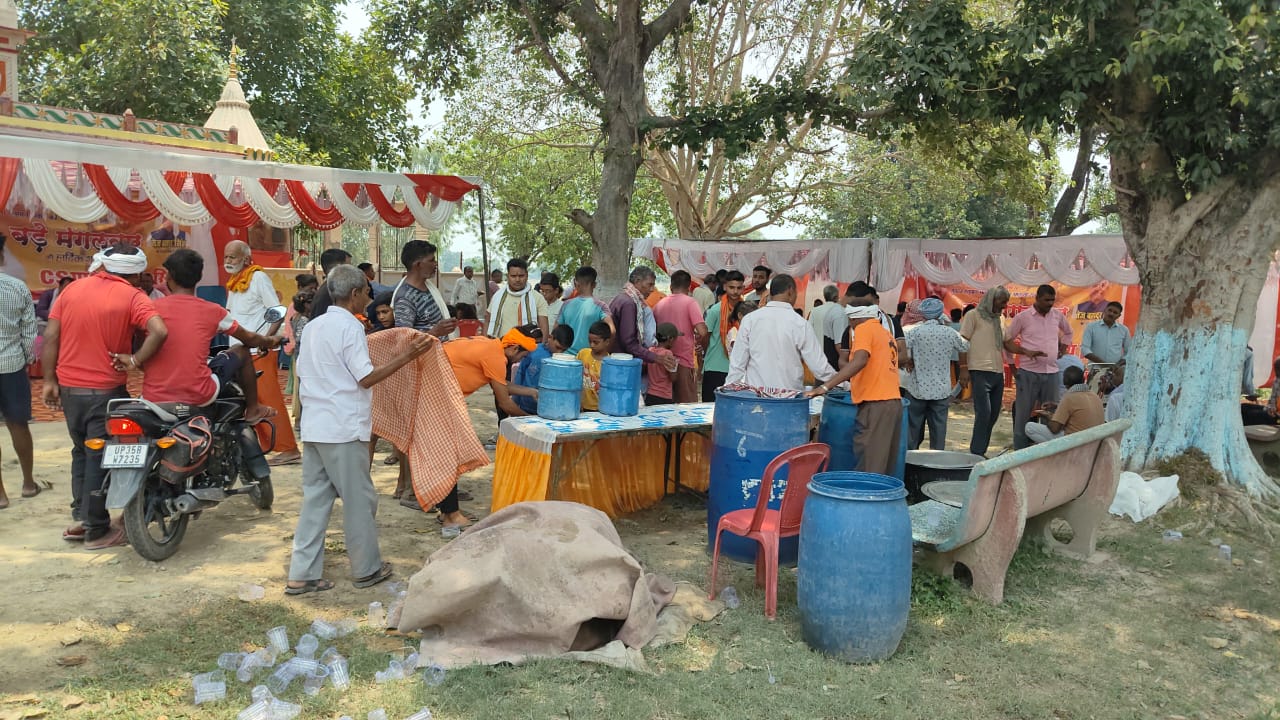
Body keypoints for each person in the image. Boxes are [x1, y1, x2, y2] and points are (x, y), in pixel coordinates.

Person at [286, 265, 433, 595]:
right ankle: (366, 569)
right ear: (354, 293)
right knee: (359, 501)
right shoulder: (349, 327)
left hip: (316, 426)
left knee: (316, 501)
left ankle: (301, 574)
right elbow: (365, 377)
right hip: (343, 427)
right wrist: (407, 356)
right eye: (367, 293)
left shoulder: (314, 325)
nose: (369, 299)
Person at [43, 244, 169, 549]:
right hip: (105, 391)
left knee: (81, 450)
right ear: (135, 273)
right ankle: (97, 530)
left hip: (69, 389)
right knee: (99, 455)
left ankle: (82, 516)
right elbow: (160, 331)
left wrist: (48, 380)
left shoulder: (72, 290)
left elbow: (50, 335)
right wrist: (136, 360)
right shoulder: (133, 296)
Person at [141, 249, 281, 420]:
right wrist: (271, 340)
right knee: (242, 350)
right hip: (200, 394)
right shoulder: (213, 311)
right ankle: (253, 409)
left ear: (168, 277)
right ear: (199, 276)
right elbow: (250, 339)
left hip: (152, 397)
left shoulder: (150, 308)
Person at [440, 326, 540, 528]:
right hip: (438, 395)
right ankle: (451, 516)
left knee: (448, 454)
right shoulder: (496, 357)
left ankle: (447, 512)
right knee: (449, 455)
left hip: (439, 391)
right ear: (514, 348)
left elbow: (500, 384)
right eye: (522, 356)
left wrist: (530, 391)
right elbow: (505, 403)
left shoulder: (490, 345)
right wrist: (532, 420)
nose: (520, 361)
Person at [223, 240, 300, 465]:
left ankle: (288, 449)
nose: (228, 261)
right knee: (251, 402)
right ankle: (267, 445)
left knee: (269, 399)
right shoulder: (235, 282)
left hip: (259, 351)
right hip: (240, 352)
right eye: (226, 257)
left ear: (246, 259)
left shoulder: (258, 278)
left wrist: (266, 340)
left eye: (232, 257)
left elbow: (277, 310)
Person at [809, 305, 902, 475]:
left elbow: (860, 360)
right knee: (883, 464)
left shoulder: (864, 329)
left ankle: (866, 492)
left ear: (853, 319)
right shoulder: (885, 333)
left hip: (876, 403)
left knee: (870, 464)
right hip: (892, 402)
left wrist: (825, 386)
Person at [725, 274, 835, 392]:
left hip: (756, 396)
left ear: (771, 294)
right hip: (789, 396)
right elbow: (820, 367)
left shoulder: (750, 320)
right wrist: (844, 384)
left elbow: (737, 364)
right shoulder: (800, 324)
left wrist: (728, 390)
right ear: (790, 291)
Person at [1005, 284, 1074, 449]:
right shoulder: (1023, 317)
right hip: (1028, 373)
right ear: (1037, 298)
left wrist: (1063, 349)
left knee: (1050, 416)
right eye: (1046, 300)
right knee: (1023, 416)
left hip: (1052, 373)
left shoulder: (1057, 315)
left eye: (1052, 300)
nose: (1050, 304)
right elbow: (1006, 341)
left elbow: (1069, 332)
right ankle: (1020, 453)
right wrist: (1013, 367)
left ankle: (1045, 453)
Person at [0, 234, 39, 509]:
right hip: (12, 366)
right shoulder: (17, 287)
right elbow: (30, 334)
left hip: (12, 364)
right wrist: (27, 359)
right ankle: (28, 483)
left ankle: (1, 495)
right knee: (18, 424)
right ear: (2, 256)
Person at [902, 298, 970, 450]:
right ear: (940, 313)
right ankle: (937, 459)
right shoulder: (949, 332)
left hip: (917, 389)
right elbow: (965, 346)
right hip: (941, 390)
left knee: (912, 430)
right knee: (938, 431)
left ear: (923, 314)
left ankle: (910, 460)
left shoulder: (914, 332)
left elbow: (901, 348)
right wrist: (964, 367)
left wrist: (908, 360)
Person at [960, 286, 1011, 457]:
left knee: (994, 414)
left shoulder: (1000, 318)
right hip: (979, 370)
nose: (1004, 305)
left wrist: (1027, 352)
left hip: (997, 372)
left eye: (1006, 302)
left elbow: (1007, 343)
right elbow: (962, 342)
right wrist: (963, 369)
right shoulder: (973, 315)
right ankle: (976, 452)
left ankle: (980, 450)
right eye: (1002, 301)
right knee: (984, 413)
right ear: (991, 300)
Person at [609, 266, 678, 374]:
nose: (652, 290)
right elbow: (629, 343)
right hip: (621, 364)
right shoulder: (629, 303)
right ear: (637, 281)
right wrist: (656, 358)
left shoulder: (623, 298)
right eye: (650, 284)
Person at [653, 270, 708, 403]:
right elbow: (702, 331)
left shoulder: (659, 304)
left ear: (671, 287)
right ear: (689, 287)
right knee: (687, 406)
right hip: (683, 361)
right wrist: (699, 344)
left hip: (660, 361)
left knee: (665, 405)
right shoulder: (690, 302)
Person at [391, 240, 458, 339]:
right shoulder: (405, 299)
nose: (436, 264)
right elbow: (404, 342)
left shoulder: (428, 287)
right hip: (429, 349)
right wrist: (435, 332)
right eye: (431, 260)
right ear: (418, 265)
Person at [1025, 366, 1104, 443]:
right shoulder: (1094, 396)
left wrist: (1047, 416)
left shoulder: (1069, 397)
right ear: (1083, 379)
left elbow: (1054, 429)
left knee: (1029, 427)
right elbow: (1077, 409)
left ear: (1064, 381)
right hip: (1094, 440)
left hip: (1076, 442)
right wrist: (1057, 405)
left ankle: (1056, 450)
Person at [701, 270, 745, 401]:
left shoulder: (746, 311)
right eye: (731, 287)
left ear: (743, 288)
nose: (735, 292)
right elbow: (705, 336)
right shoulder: (715, 310)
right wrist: (706, 354)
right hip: (715, 366)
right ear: (725, 287)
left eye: (738, 288)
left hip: (737, 369)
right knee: (710, 407)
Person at [513, 324, 574, 414]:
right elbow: (520, 373)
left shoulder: (563, 362)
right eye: (557, 347)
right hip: (526, 405)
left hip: (548, 409)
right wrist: (515, 401)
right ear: (550, 337)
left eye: (563, 350)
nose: (559, 352)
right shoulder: (533, 350)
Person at [486, 258, 548, 339]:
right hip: (499, 344)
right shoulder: (497, 296)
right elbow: (487, 321)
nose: (517, 280)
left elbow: (544, 327)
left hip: (528, 345)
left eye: (521, 276)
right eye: (513, 276)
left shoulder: (537, 298)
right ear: (508, 276)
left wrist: (541, 345)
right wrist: (486, 342)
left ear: (527, 275)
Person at [557, 266, 613, 354]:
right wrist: (603, 352)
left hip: (566, 356)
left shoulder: (566, 304)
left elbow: (556, 330)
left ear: (575, 283)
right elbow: (612, 331)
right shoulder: (601, 306)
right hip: (589, 357)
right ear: (594, 284)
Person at [307, 248, 355, 319]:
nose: (352, 271)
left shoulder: (330, 289)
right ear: (338, 268)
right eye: (349, 267)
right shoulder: (328, 293)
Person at [576, 321, 612, 411]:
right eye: (590, 341)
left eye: (596, 342)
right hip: (581, 407)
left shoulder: (610, 364)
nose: (592, 345)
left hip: (600, 409)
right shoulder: (582, 354)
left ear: (607, 342)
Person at [645, 323, 680, 405]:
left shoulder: (651, 351)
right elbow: (673, 378)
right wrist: (675, 368)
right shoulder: (668, 354)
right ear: (670, 339)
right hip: (664, 396)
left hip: (650, 394)